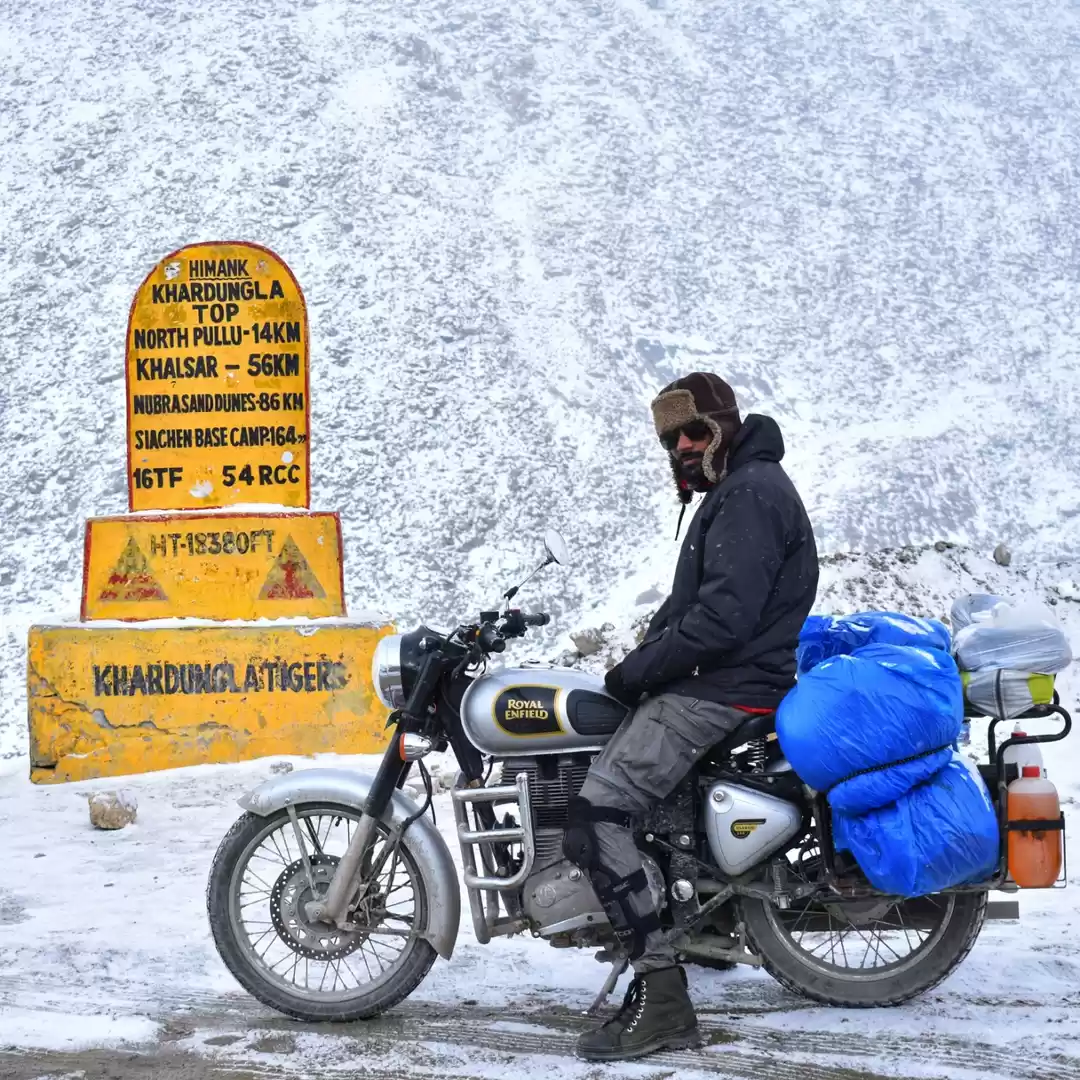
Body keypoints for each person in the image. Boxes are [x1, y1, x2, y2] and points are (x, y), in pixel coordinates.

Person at [564, 372, 819, 1061]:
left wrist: (634, 672)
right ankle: (694, 933)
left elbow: (721, 621)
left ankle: (664, 1000)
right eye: (670, 439)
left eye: (694, 432)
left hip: (724, 689)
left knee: (596, 819)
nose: (681, 447)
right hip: (727, 682)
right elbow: (698, 611)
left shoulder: (750, 494)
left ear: (725, 426)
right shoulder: (739, 491)